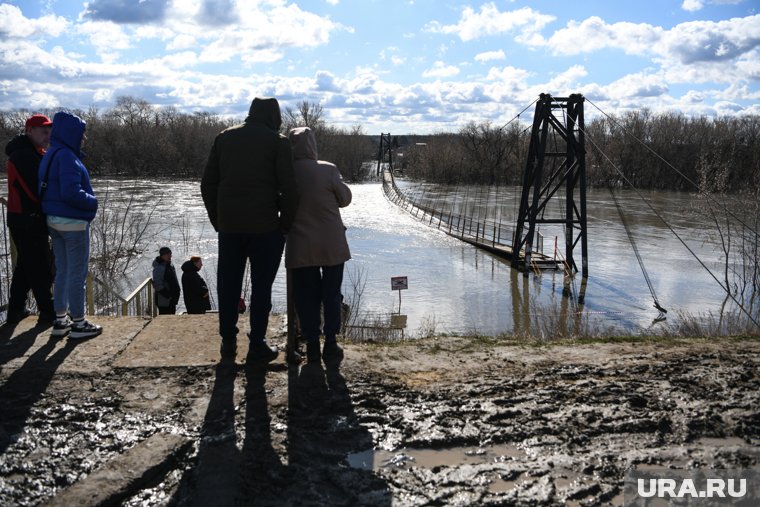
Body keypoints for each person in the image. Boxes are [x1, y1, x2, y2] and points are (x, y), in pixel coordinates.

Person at [201, 97, 299, 363]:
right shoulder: (278, 142)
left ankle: (228, 340)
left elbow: (207, 185)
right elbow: (290, 190)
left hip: (230, 228)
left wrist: (218, 220)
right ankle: (257, 343)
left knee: (228, 285)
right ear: (274, 116)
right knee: (262, 287)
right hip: (266, 228)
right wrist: (285, 226)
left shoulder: (225, 138)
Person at [286, 126, 352, 365]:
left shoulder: (285, 172)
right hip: (331, 244)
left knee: (306, 296)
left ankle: (312, 344)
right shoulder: (327, 169)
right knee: (331, 294)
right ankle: (331, 343)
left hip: (301, 245)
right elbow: (345, 199)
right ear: (312, 144)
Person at [38, 111, 101, 339]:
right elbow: (70, 192)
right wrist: (93, 202)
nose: (84, 138)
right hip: (72, 224)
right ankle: (79, 323)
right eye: (82, 134)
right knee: (77, 273)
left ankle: (61, 320)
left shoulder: (51, 154)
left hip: (53, 221)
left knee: (63, 271)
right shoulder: (67, 157)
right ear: (72, 133)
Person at [3, 114, 55, 325]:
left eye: (49, 131)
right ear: (29, 131)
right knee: (41, 266)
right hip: (27, 219)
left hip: (24, 217)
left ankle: (15, 309)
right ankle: (49, 313)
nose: (47, 135)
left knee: (25, 266)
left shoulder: (32, 152)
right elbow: (37, 190)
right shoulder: (24, 155)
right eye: (43, 131)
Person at [152, 246, 180, 315]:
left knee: (171, 318)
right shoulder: (159, 268)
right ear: (162, 255)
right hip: (164, 301)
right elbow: (158, 284)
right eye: (168, 254)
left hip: (171, 300)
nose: (170, 256)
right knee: (164, 320)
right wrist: (168, 296)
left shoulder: (170, 265)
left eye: (170, 254)